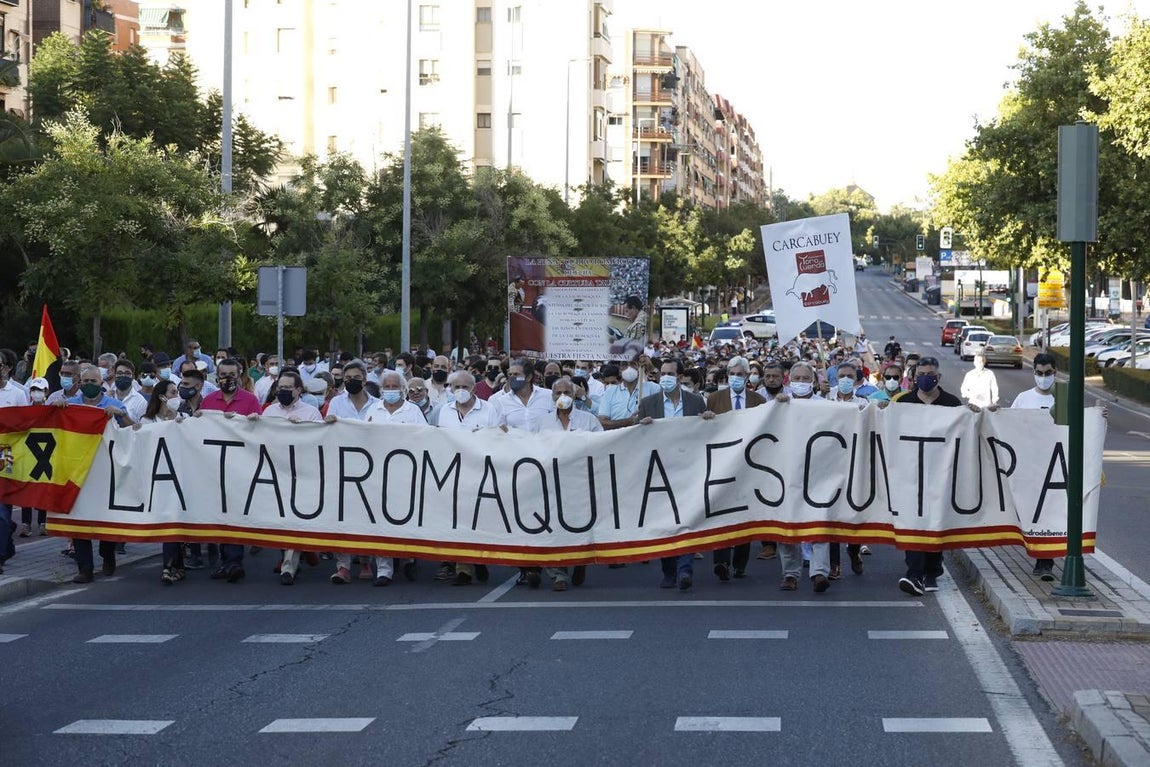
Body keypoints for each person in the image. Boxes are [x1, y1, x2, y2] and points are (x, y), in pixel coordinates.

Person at [890, 356, 963, 596]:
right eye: (921, 373)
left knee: (934, 524)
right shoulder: (902, 402)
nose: (925, 377)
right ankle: (915, 574)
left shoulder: (952, 404)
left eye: (930, 373)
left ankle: (932, 570)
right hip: (910, 476)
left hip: (940, 476)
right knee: (912, 523)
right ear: (913, 377)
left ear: (938, 377)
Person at [636, 357, 709, 590]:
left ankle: (684, 569)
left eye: (669, 373)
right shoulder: (648, 404)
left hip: (688, 467)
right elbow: (635, 438)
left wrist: (709, 420)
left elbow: (707, 433)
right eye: (662, 373)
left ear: (679, 376)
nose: (665, 377)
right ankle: (668, 569)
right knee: (666, 522)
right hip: (659, 470)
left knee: (686, 519)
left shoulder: (697, 402)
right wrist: (642, 426)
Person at [58, 364, 132, 583]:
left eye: (94, 381)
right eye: (86, 381)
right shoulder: (70, 405)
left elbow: (134, 432)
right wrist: (56, 408)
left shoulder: (113, 404)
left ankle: (107, 555)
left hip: (106, 470)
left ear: (102, 383)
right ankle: (85, 568)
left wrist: (121, 415)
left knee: (104, 517)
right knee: (79, 518)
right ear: (80, 383)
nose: (90, 385)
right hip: (78, 470)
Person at [199, 357, 263, 583]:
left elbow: (260, 432)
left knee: (234, 514)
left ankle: (234, 561)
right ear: (217, 377)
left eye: (232, 375)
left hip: (240, 467)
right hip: (214, 466)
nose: (228, 379)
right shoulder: (207, 401)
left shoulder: (250, 401)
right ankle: (224, 561)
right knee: (219, 514)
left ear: (240, 376)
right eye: (223, 375)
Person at [256, 371, 324, 585]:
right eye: (280, 388)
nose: (283, 391)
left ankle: (289, 566)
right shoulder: (269, 412)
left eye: (288, 388)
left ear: (298, 390)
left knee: (295, 517)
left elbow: (321, 440)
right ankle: (302, 549)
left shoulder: (311, 412)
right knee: (281, 518)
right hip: (276, 471)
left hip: (303, 473)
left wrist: (302, 430)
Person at [435, 371, 500, 586]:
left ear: (474, 388)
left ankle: (479, 558)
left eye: (465, 386)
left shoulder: (489, 409)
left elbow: (498, 438)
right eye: (456, 387)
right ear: (451, 389)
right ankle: (463, 568)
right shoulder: (444, 410)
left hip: (481, 472)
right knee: (459, 519)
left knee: (479, 520)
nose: (461, 391)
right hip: (454, 473)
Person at [538, 376, 603, 591]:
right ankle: (558, 574)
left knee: (579, 524)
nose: (562, 397)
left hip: (581, 482)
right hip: (552, 482)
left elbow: (602, 446)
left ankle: (579, 561)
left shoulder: (588, 420)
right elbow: (531, 449)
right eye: (558, 393)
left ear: (574, 395)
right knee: (553, 527)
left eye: (567, 393)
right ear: (552, 396)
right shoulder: (543, 422)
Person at [705, 356, 765, 581]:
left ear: (748, 377)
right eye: (732, 374)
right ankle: (721, 561)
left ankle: (740, 564)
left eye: (740, 374)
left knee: (744, 515)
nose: (736, 378)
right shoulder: (714, 399)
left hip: (749, 465)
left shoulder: (758, 399)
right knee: (721, 513)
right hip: (721, 464)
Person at [1001, 352, 1059, 580]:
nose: (1043, 377)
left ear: (1055, 372)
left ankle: (1045, 561)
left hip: (1054, 468)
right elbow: (1008, 425)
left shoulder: (1064, 399)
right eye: (1039, 373)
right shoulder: (1023, 399)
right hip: (1028, 467)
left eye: (1048, 373)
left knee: (1049, 514)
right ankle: (1036, 552)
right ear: (1033, 372)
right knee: (1031, 514)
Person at [0, 350, 30, 572]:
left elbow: (26, 426)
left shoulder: (18, 393)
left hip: (7, 456)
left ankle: (0, 555)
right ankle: (6, 542)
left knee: (2, 511)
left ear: (7, 367)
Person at [17, 378, 51, 539]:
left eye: (40, 390)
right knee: (27, 490)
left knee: (42, 489)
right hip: (27, 453)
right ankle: (26, 524)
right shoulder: (24, 410)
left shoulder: (52, 411)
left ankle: (43, 523)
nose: (36, 393)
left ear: (46, 392)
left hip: (45, 454)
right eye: (33, 390)